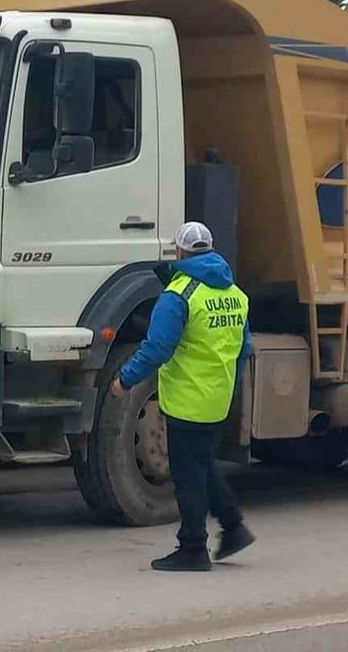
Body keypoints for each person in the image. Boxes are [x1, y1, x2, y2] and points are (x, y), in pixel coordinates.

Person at [112, 221, 256, 572]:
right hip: (217, 397)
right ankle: (233, 527)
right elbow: (244, 349)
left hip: (188, 398)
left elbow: (157, 348)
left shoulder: (179, 295)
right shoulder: (234, 294)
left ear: (178, 252)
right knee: (202, 465)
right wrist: (229, 386)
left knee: (188, 473)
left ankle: (193, 547)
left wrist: (125, 379)